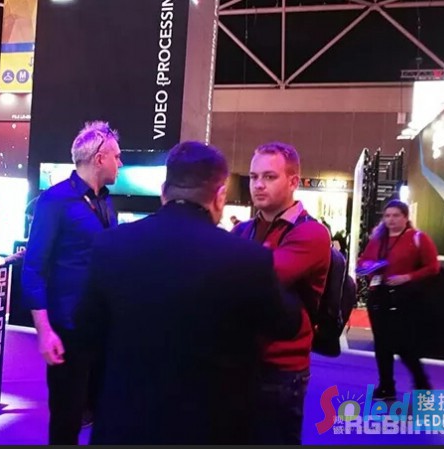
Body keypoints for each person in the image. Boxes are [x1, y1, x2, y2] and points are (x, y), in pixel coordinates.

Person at [75, 141, 301, 444]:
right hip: (212, 428)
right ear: (219, 196)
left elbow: (85, 333)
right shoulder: (247, 258)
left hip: (125, 425)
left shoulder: (111, 245)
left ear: (163, 192)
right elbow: (286, 324)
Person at [22, 120, 122, 445]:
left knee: (105, 413)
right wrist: (44, 330)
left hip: (104, 327)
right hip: (69, 328)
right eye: (117, 156)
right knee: (66, 418)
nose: (120, 163)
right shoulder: (55, 200)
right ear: (99, 158)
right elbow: (33, 268)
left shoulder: (105, 201)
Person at [233, 141, 331, 445]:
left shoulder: (311, 233)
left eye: (269, 176)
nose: (258, 184)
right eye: (253, 177)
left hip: (281, 371)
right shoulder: (243, 231)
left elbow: (263, 277)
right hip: (239, 362)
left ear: (293, 181)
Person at [357, 199, 439, 399]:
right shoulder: (377, 239)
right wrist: (370, 268)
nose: (391, 220)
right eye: (387, 216)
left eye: (395, 215)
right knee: (382, 344)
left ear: (405, 217)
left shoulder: (418, 238)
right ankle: (386, 385)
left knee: (404, 344)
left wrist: (407, 277)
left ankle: (422, 384)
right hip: (379, 296)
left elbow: (432, 267)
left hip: (405, 298)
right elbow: (363, 262)